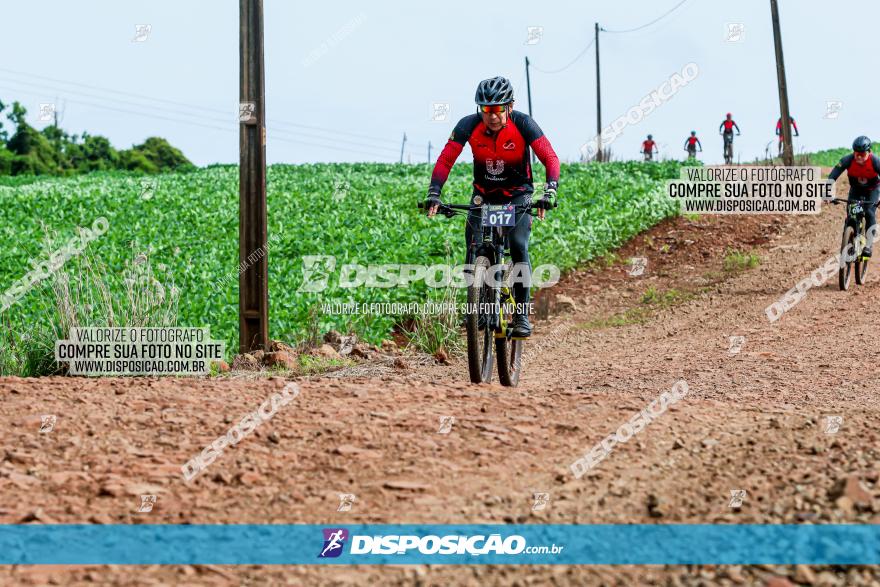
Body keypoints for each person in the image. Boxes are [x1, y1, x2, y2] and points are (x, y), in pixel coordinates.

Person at [425, 76, 560, 338]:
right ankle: (473, 306)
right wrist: (434, 193)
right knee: (473, 246)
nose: (492, 116)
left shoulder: (524, 124)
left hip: (518, 195)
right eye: (486, 110)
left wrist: (550, 190)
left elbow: (550, 157)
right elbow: (445, 160)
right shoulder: (467, 125)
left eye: (498, 109)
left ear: (510, 106)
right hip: (483, 196)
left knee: (519, 245)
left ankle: (521, 315)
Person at [828, 136, 880, 257]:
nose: (859, 157)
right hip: (856, 190)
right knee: (851, 215)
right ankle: (849, 240)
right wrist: (826, 193)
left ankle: (868, 245)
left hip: (872, 190)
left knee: (869, 213)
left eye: (862, 154)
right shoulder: (847, 160)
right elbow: (832, 176)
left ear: (869, 152)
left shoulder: (875, 161)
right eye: (857, 154)